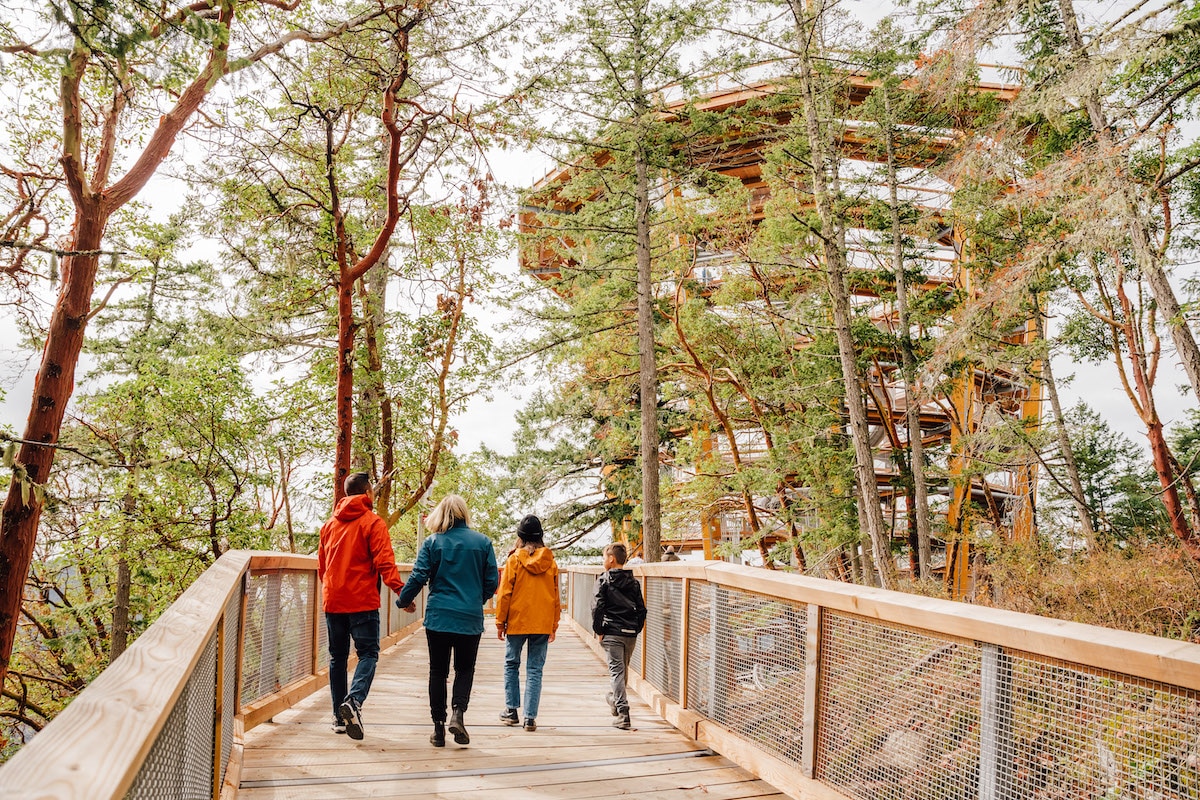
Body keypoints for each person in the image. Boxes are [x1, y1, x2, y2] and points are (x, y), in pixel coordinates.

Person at [396, 494, 499, 747]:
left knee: (437, 671)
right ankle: (458, 714)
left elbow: (419, 575)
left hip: (439, 617)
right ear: (464, 514)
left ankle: (438, 728)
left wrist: (403, 600)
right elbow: (492, 582)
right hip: (469, 617)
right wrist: (476, 599)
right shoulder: (483, 543)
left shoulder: (433, 543)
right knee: (465, 669)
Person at [318, 471, 414, 741]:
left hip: (333, 601)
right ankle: (354, 701)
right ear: (368, 493)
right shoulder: (373, 523)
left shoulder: (329, 526)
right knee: (368, 653)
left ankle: (338, 717)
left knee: (337, 658)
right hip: (362, 601)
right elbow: (385, 562)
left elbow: (322, 567)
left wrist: (331, 589)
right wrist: (401, 593)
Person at [495, 515, 561, 732]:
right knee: (535, 669)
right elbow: (555, 595)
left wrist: (499, 621)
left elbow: (505, 593)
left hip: (517, 620)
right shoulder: (550, 561)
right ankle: (530, 718)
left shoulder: (514, 560)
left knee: (511, 664)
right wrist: (554, 623)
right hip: (541, 622)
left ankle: (511, 710)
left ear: (520, 537)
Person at [591, 543, 646, 730]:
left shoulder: (604, 581)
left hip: (612, 632)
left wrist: (599, 630)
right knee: (623, 671)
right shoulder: (634, 583)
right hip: (630, 633)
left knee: (617, 672)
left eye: (604, 558)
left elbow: (597, 607)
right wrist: (635, 628)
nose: (603, 561)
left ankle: (623, 713)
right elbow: (642, 609)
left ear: (611, 559)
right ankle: (615, 700)